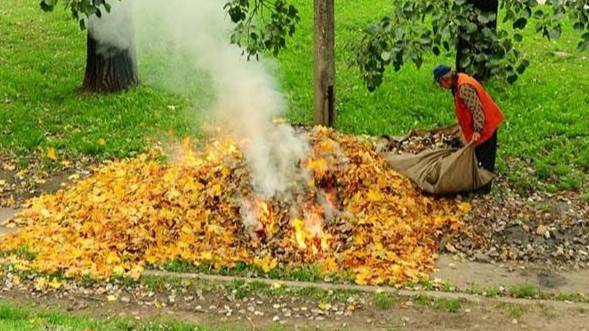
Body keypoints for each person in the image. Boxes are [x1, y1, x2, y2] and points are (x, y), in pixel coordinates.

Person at [433, 64, 504, 194]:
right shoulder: (459, 81)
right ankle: (478, 182)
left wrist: (477, 130)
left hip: (485, 125)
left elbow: (477, 110)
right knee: (479, 155)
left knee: (485, 157)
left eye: (440, 83)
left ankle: (484, 188)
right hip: (482, 123)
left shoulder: (464, 87)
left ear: (446, 79)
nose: (440, 86)